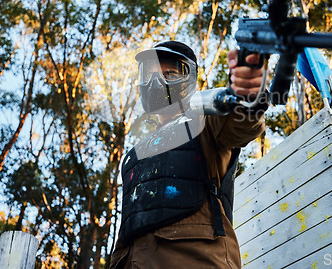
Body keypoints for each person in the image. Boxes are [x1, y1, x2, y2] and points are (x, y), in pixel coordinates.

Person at [110, 40, 267, 268]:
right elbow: (128, 226)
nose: (157, 82)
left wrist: (246, 95)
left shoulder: (204, 121)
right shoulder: (136, 154)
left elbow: (240, 124)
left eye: (170, 73)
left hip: (196, 259)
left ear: (189, 79)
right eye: (150, 74)